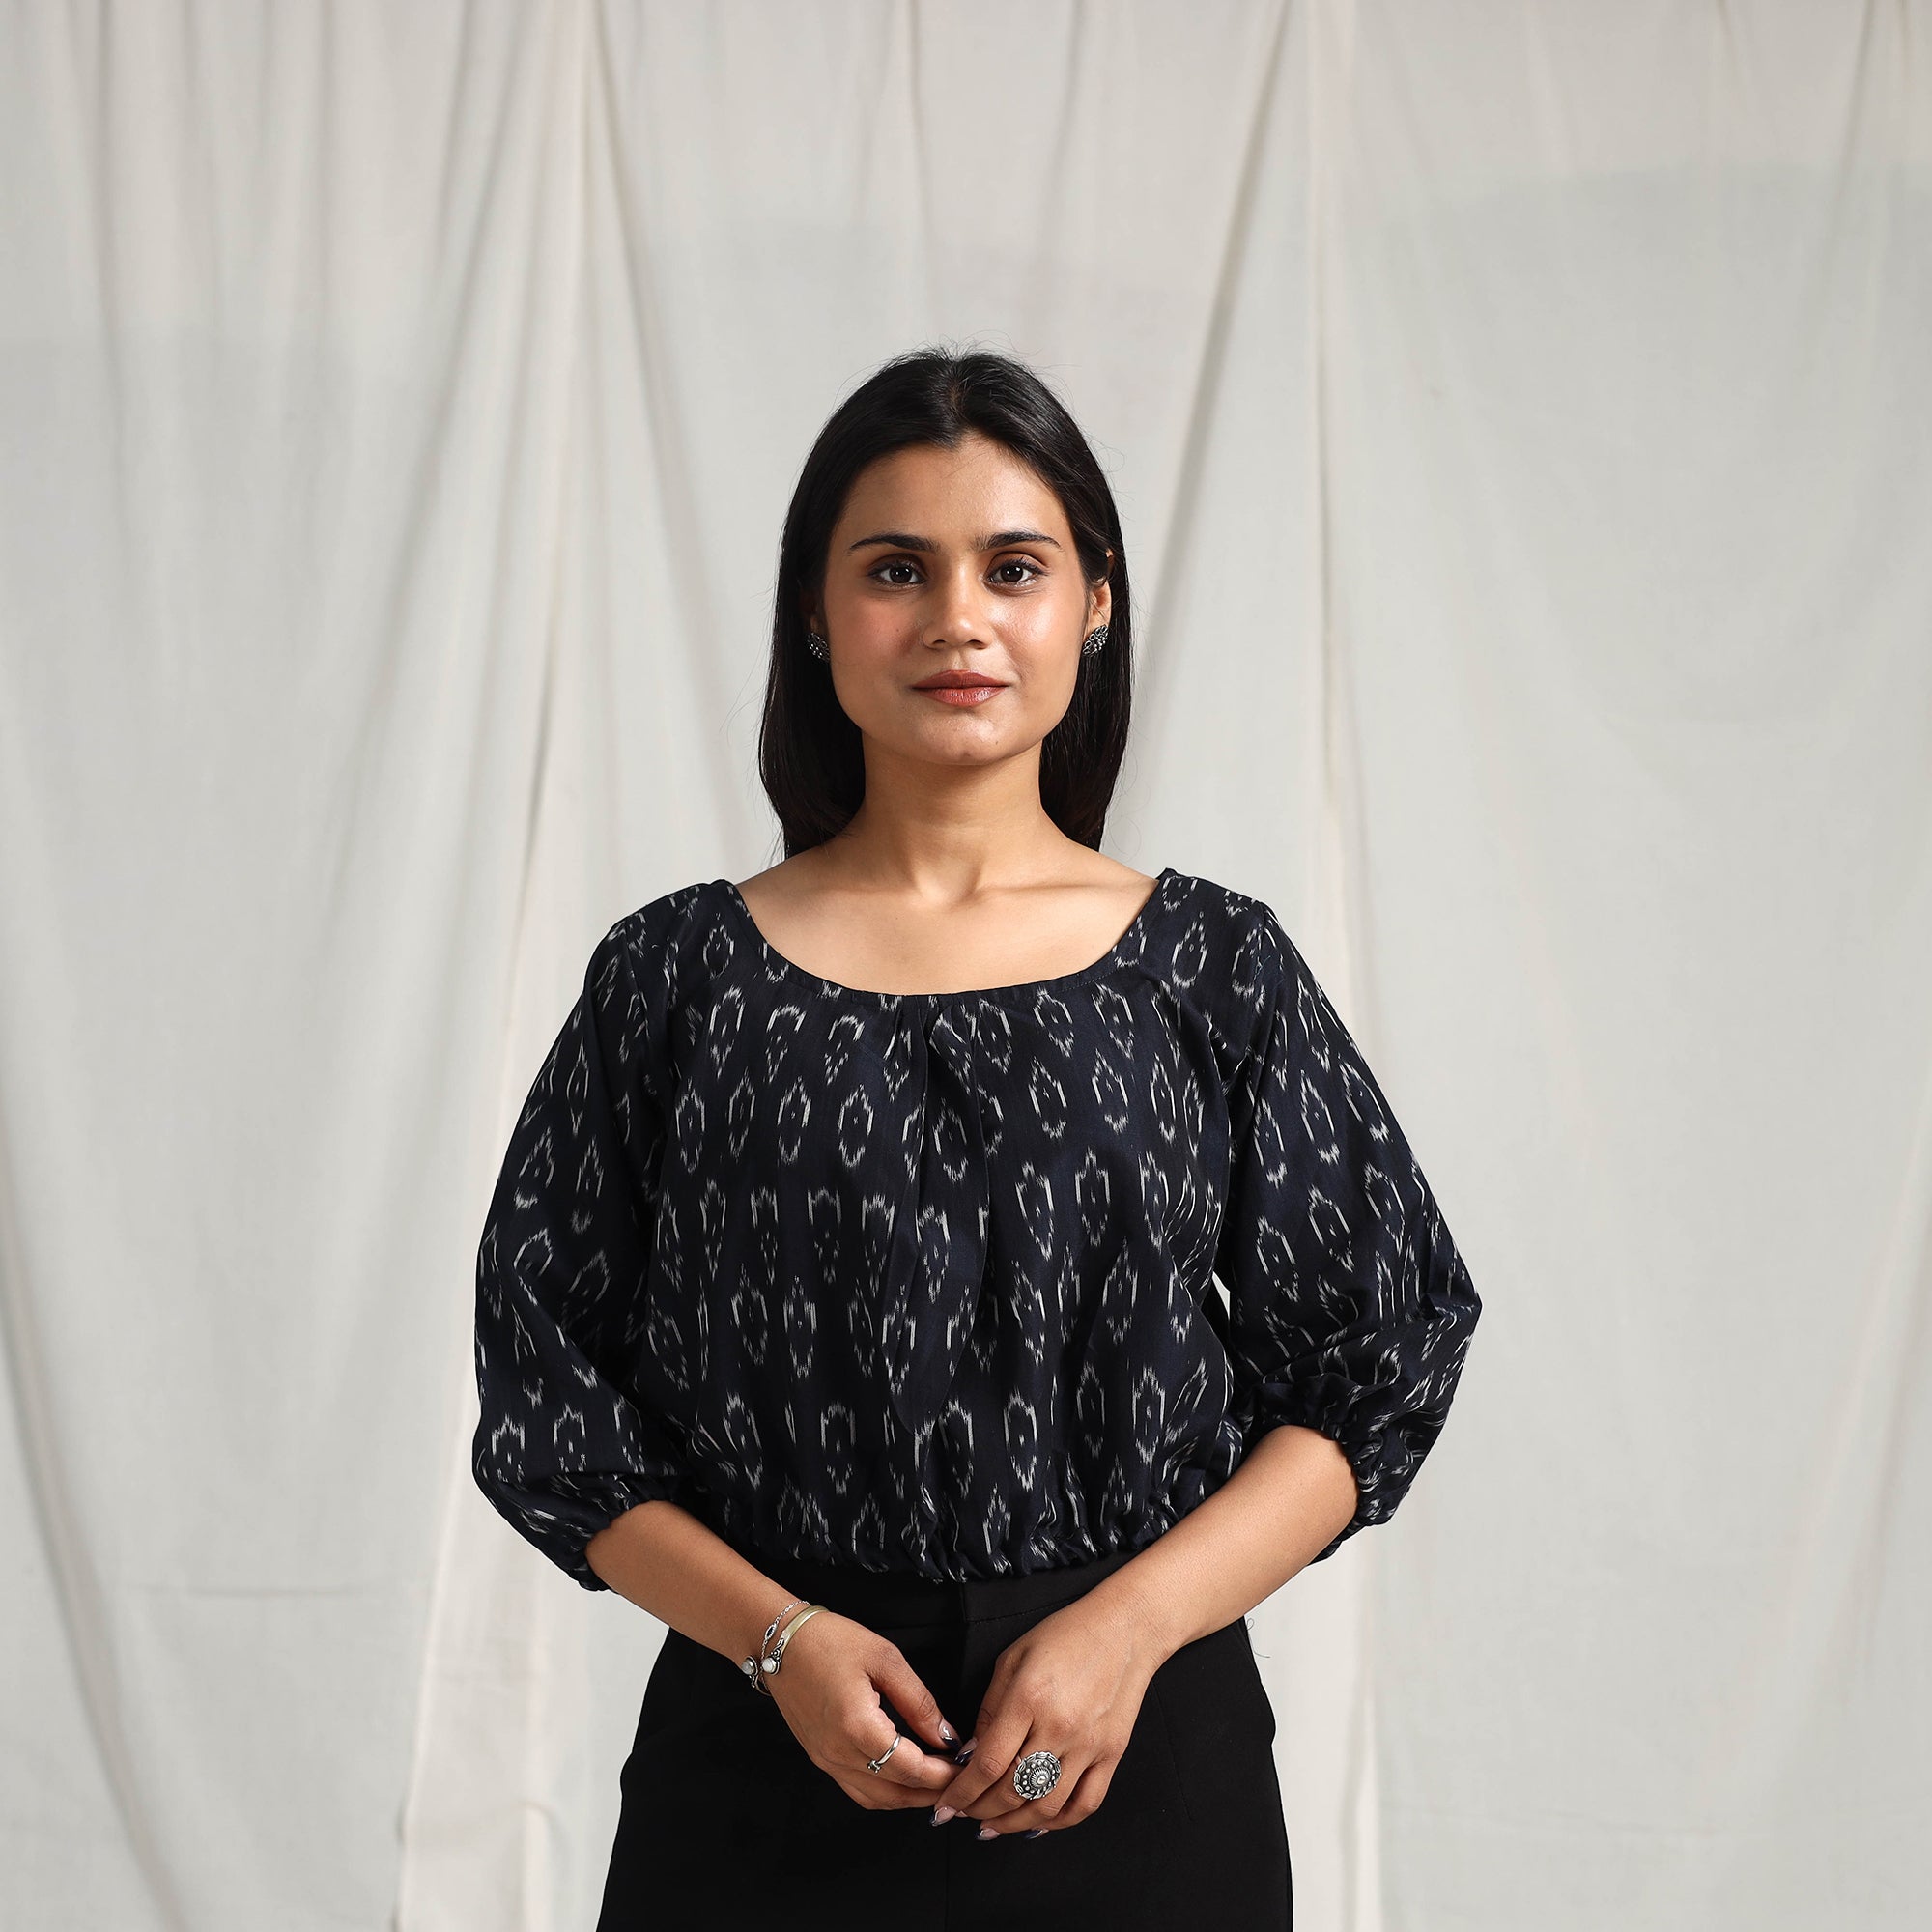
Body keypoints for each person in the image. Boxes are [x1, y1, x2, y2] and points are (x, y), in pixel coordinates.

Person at [469, 347, 1482, 1929]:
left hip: (1138, 1758)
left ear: (1095, 601)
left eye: (1015, 568)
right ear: (817, 615)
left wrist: (1126, 1631)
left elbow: (1385, 1355)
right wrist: (781, 1643)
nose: (959, 619)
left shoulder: (1215, 968)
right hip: (762, 1761)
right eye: (896, 570)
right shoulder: (673, 979)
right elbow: (545, 1395)